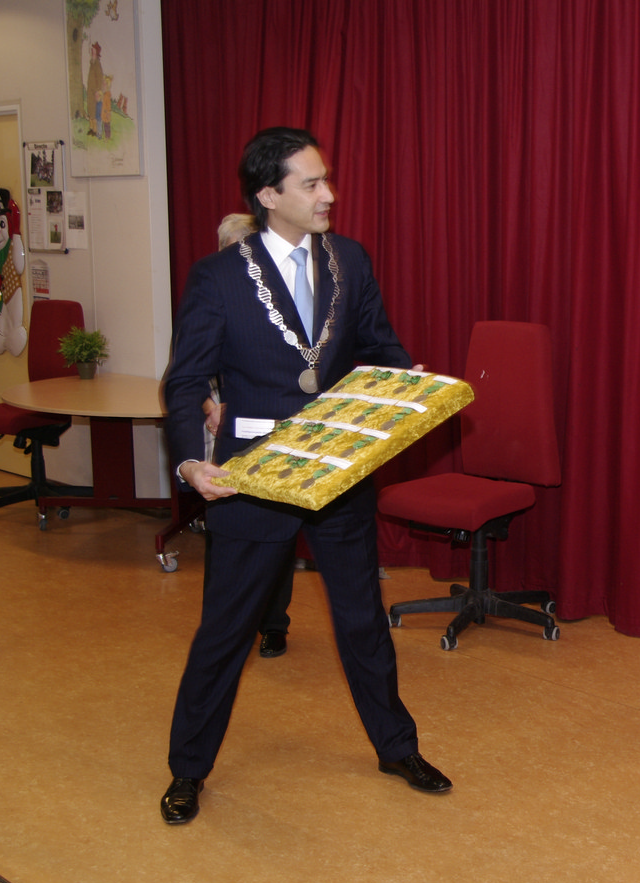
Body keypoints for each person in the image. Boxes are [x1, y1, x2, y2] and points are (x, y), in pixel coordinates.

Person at [159, 127, 451, 825]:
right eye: (312, 184)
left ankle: (396, 747)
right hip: (252, 477)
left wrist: (403, 381)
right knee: (226, 630)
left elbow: (379, 345)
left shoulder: (350, 259)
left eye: (326, 180)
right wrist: (191, 460)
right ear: (268, 195)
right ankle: (187, 769)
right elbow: (185, 380)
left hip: (338, 470)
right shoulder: (218, 278)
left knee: (362, 619)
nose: (329, 195)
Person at [207, 211, 295, 659]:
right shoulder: (212, 294)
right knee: (230, 534)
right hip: (229, 438)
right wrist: (211, 407)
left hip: (276, 433)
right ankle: (226, 623)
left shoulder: (286, 301)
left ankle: (273, 624)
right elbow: (185, 372)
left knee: (276, 530)